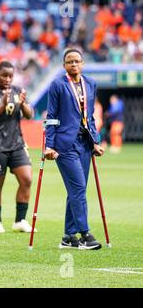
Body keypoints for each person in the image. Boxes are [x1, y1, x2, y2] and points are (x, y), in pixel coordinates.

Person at [44, 48, 104, 250]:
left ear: (83, 63)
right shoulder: (57, 84)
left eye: (77, 61)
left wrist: (95, 141)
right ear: (64, 66)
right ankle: (85, 234)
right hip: (64, 145)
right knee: (78, 188)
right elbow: (51, 116)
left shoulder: (90, 84)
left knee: (76, 190)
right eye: (69, 62)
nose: (74, 64)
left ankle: (68, 237)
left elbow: (91, 116)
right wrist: (49, 146)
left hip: (85, 144)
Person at [0, 61, 34, 234]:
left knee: (26, 179)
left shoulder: (18, 91)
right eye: (4, 75)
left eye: (11, 76)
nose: (8, 79)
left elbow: (29, 115)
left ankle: (20, 220)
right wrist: (2, 105)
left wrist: (24, 104)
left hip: (17, 144)